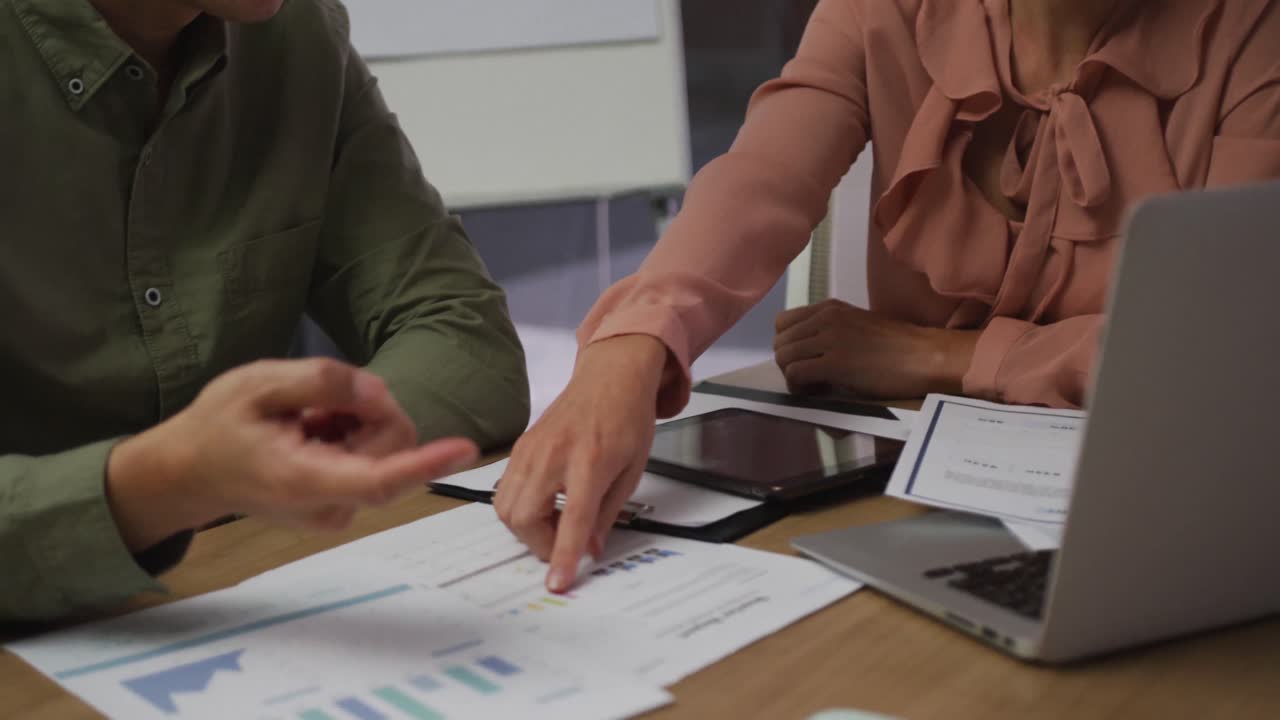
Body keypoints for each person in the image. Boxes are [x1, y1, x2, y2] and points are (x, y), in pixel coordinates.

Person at [496, 0, 1280, 593]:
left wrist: (943, 355)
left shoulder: (1254, 37)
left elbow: (1225, 352)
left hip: (1161, 522)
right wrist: (631, 348)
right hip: (901, 509)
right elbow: (765, 175)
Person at [0, 0, 530, 621]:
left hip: (224, 611)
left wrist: (273, 458)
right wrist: (174, 483)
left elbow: (462, 337)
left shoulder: (294, 32)